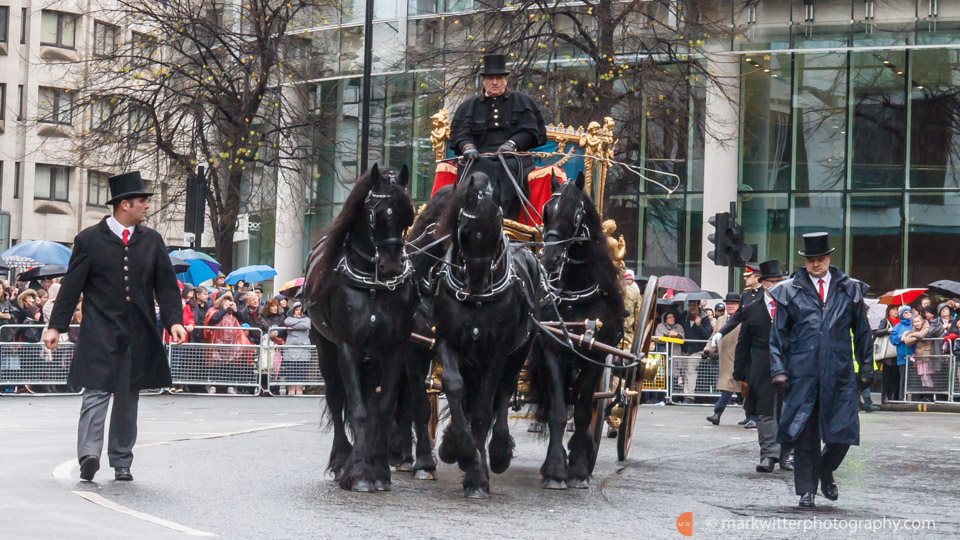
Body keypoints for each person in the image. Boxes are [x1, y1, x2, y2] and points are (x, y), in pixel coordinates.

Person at [43, 171, 186, 483]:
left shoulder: (151, 241)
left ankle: (122, 460)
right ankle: (89, 455)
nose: (147, 206)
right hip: (99, 330)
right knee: (96, 391)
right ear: (125, 205)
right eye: (142, 201)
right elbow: (71, 286)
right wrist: (56, 326)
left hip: (138, 332)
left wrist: (176, 320)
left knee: (127, 397)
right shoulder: (89, 240)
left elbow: (166, 285)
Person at [769, 232, 874, 508]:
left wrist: (866, 368)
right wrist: (778, 369)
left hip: (839, 373)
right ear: (805, 261)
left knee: (843, 433)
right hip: (802, 374)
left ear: (829, 258)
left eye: (821, 258)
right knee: (805, 434)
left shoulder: (849, 289)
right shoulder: (790, 290)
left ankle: (825, 469)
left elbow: (863, 333)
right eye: (811, 259)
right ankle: (807, 490)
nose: (816, 264)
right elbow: (778, 335)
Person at [450, 53, 547, 208]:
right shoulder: (469, 106)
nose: (494, 82)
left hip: (512, 158)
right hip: (479, 157)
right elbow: (461, 133)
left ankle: (506, 217)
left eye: (499, 78)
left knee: (508, 170)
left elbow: (530, 132)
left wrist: (512, 144)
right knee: (477, 174)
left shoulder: (522, 101)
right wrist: (467, 147)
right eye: (490, 78)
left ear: (506, 80)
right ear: (483, 81)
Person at [734, 260, 794, 473]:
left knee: (788, 410)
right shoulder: (751, 309)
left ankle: (786, 454)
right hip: (761, 363)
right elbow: (743, 342)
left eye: (781, 281)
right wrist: (740, 373)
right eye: (773, 282)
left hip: (789, 363)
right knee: (765, 412)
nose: (778, 285)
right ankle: (768, 455)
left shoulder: (792, 306)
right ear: (764, 283)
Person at [203, 291, 253, 394]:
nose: (227, 302)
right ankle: (213, 385)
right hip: (216, 343)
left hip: (231, 343)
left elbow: (243, 320)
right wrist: (223, 309)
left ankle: (230, 385)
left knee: (231, 364)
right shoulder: (213, 310)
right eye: (224, 300)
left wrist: (236, 310)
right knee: (215, 364)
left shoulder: (232, 312)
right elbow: (214, 319)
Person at [702, 293, 741, 425]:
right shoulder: (720, 320)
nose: (730, 305)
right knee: (729, 387)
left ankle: (717, 413)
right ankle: (718, 414)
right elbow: (713, 338)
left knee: (738, 389)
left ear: (740, 305)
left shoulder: (744, 319)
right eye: (728, 303)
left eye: (733, 303)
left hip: (740, 359)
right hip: (725, 359)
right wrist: (707, 350)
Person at [677, 300, 710, 403]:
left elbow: (707, 335)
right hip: (684, 348)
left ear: (698, 305)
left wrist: (699, 326)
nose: (692, 307)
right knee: (682, 370)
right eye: (690, 305)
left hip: (696, 349)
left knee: (691, 370)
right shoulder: (683, 315)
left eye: (694, 305)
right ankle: (683, 393)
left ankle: (689, 396)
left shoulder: (704, 318)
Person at [873, 305, 900, 404]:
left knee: (896, 376)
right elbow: (877, 332)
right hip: (888, 352)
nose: (895, 312)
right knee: (887, 376)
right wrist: (887, 330)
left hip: (897, 352)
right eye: (893, 309)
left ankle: (894, 396)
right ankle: (885, 396)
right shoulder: (885, 321)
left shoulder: (900, 322)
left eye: (897, 309)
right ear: (888, 311)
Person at [282, 302, 311, 396]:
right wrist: (297, 323)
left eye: (301, 310)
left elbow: (306, 325)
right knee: (290, 368)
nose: (299, 312)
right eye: (297, 309)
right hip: (290, 346)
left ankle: (299, 388)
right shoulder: (289, 319)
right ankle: (291, 388)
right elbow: (287, 322)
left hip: (303, 346)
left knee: (301, 368)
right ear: (293, 310)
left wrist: (292, 326)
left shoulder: (307, 319)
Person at [903, 311, 933, 399]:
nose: (916, 324)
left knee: (927, 376)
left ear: (922, 321)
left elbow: (922, 334)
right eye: (914, 322)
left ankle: (929, 396)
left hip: (927, 355)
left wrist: (911, 335)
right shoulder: (914, 329)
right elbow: (907, 342)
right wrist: (913, 336)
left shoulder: (927, 325)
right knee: (923, 377)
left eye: (918, 321)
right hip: (919, 356)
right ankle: (925, 396)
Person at [888, 306, 914, 402]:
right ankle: (902, 397)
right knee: (903, 377)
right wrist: (901, 337)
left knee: (914, 378)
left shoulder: (914, 324)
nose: (908, 314)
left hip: (914, 355)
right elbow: (893, 339)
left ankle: (914, 398)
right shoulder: (898, 326)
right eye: (905, 313)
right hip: (903, 356)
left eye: (909, 312)